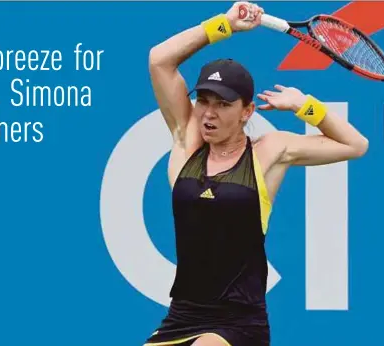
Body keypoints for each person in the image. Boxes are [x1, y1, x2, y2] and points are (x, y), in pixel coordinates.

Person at [144, 2, 369, 346]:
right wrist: (225, 24)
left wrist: (305, 106)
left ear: (247, 111)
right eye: (203, 100)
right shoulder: (186, 139)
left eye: (223, 104)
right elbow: (160, 59)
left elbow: (355, 145)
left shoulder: (269, 152)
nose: (209, 112)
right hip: (182, 316)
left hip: (238, 322)